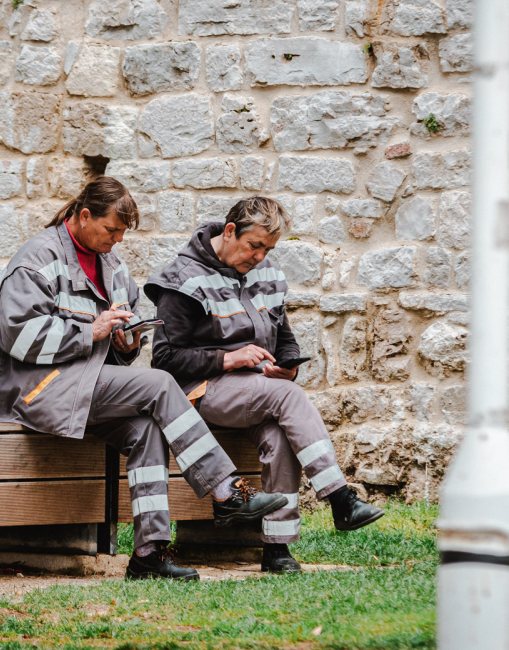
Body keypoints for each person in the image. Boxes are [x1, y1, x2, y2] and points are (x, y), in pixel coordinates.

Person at [0, 177, 288, 581]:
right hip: (30, 389)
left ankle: (148, 555)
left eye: (123, 232)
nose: (118, 240)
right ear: (83, 216)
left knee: (145, 428)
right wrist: (92, 331)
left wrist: (125, 342)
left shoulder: (113, 267)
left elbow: (116, 349)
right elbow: (18, 336)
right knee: (158, 384)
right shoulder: (36, 258)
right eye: (111, 229)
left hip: (82, 385)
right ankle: (225, 490)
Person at [144, 197, 385, 574]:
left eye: (267, 249)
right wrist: (229, 358)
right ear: (229, 232)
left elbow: (284, 337)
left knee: (279, 434)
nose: (259, 256)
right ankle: (340, 497)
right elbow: (165, 360)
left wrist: (287, 367)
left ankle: (277, 551)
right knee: (287, 399)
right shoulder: (182, 279)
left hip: (257, 393)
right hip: (197, 392)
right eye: (253, 246)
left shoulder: (267, 273)